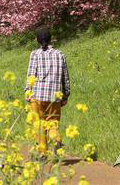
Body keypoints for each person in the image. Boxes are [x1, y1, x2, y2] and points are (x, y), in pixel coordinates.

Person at [25, 26, 71, 155]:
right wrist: (65, 95)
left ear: (37, 40)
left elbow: (31, 75)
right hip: (54, 96)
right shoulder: (60, 54)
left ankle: (42, 153)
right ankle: (57, 140)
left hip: (37, 96)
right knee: (52, 122)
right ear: (51, 39)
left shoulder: (34, 54)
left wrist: (27, 91)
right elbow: (65, 76)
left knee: (39, 124)